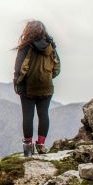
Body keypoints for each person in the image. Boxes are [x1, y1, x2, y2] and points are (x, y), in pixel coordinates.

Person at [13, 20, 61, 156]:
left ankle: (28, 149)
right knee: (43, 114)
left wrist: (17, 83)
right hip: (46, 87)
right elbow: (57, 66)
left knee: (28, 116)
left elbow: (20, 67)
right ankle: (41, 145)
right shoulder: (51, 46)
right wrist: (48, 77)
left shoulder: (26, 47)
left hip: (28, 87)